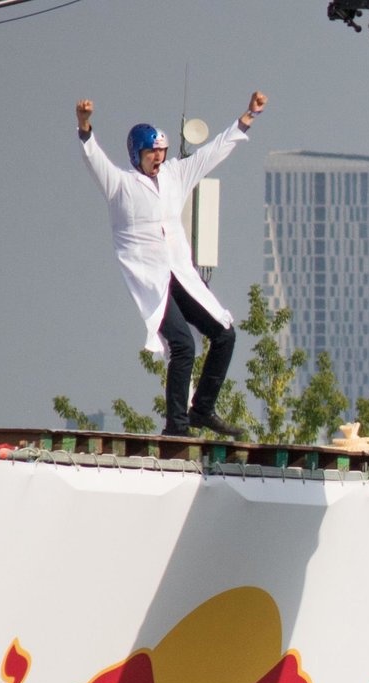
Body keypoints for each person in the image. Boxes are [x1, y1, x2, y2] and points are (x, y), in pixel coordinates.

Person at [74, 91, 262, 439]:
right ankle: (176, 426)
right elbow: (93, 157)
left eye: (161, 152)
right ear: (137, 155)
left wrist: (246, 118)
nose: (158, 158)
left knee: (224, 334)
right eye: (151, 153)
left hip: (181, 274)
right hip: (151, 282)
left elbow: (211, 153)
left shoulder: (176, 174)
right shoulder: (120, 185)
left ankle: (201, 410)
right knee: (183, 346)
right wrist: (85, 125)